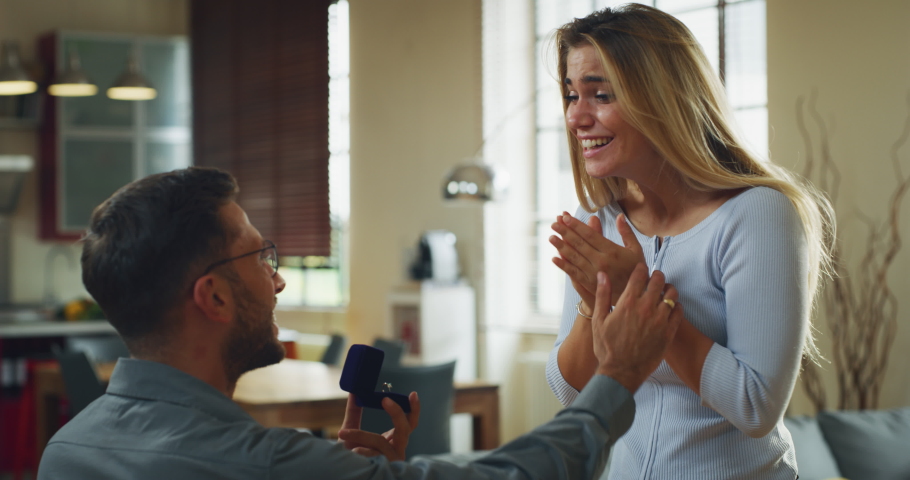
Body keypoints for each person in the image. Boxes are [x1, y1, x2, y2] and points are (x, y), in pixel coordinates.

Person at [38, 166, 682, 480]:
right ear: (212, 297)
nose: (280, 277)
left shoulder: (67, 451)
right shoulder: (257, 461)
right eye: (262, 257)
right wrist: (616, 377)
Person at [544, 4, 834, 480]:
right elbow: (572, 392)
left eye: (600, 94)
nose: (577, 116)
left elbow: (756, 407)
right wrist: (591, 302)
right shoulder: (599, 216)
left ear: (660, 97)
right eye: (572, 95)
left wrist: (640, 297)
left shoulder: (756, 212)